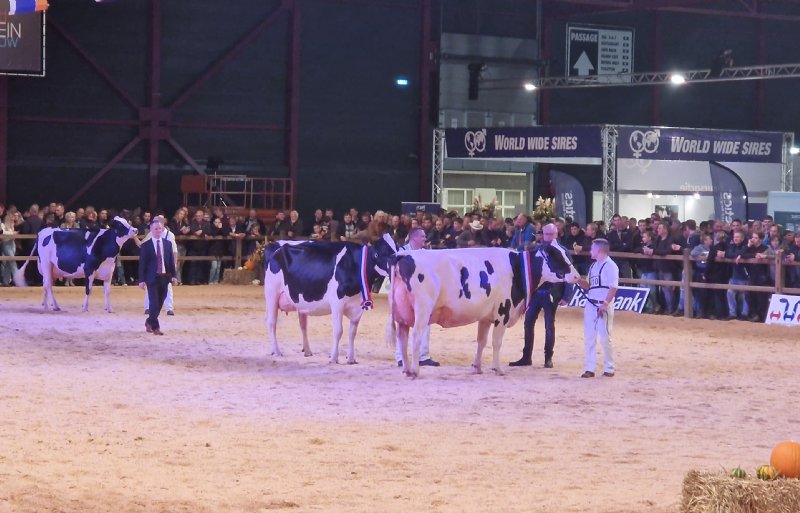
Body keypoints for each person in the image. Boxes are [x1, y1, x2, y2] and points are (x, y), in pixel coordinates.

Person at [510, 223, 568, 368]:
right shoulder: (536, 249)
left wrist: (566, 295)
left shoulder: (562, 251)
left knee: (549, 325)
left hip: (552, 292)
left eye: (550, 234)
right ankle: (526, 356)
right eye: (545, 234)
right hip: (535, 292)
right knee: (528, 323)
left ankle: (548, 357)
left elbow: (569, 272)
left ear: (556, 234)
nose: (547, 237)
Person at [394, 227, 440, 367]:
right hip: (404, 294)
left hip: (421, 293)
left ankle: (423, 356)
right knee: (402, 323)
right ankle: (401, 357)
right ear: (414, 238)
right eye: (422, 236)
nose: (425, 239)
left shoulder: (426, 253)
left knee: (425, 322)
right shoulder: (401, 252)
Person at [576, 239, 619, 378]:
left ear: (600, 250)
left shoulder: (611, 266)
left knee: (605, 337)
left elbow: (613, 286)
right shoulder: (593, 266)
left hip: (603, 304)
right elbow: (589, 285)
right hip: (591, 303)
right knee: (589, 337)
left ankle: (609, 367)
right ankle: (590, 367)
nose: (590, 251)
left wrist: (606, 303)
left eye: (592, 249)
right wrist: (577, 280)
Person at [138, 218, 178, 336]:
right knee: (154, 303)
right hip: (152, 278)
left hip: (164, 277)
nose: (158, 231)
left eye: (160, 228)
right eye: (155, 229)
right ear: (151, 230)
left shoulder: (168, 244)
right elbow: (142, 264)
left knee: (160, 303)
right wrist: (141, 280)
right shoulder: (146, 245)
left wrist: (174, 276)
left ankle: (149, 321)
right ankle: (156, 327)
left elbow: (170, 262)